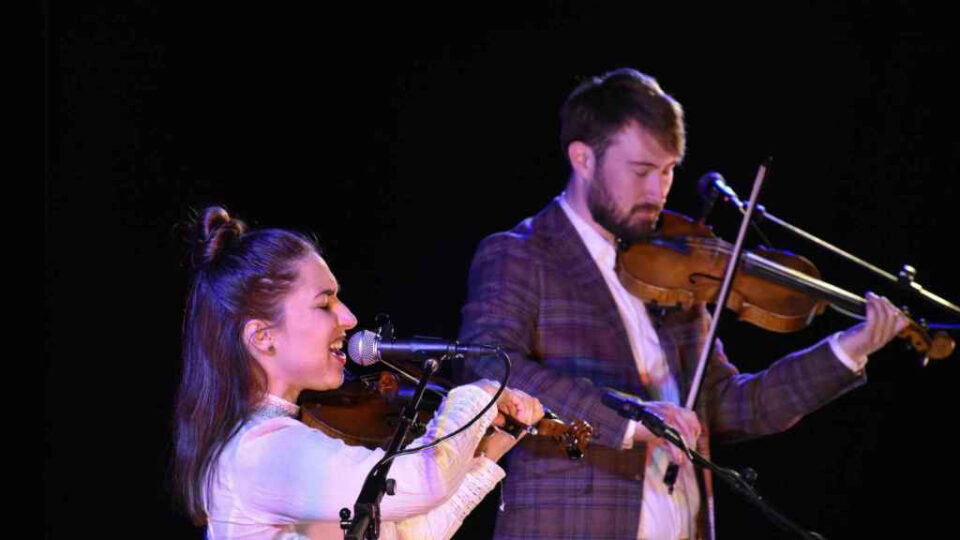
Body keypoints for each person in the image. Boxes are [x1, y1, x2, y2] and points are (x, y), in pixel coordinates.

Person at [456, 68, 907, 539]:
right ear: (583, 158)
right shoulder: (522, 252)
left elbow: (731, 406)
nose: (659, 191)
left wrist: (848, 349)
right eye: (641, 171)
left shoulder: (670, 270)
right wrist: (631, 418)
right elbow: (486, 369)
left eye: (669, 170)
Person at [173, 206, 544, 539]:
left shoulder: (276, 444)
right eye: (325, 303)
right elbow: (423, 481)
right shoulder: (258, 450)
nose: (349, 318)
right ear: (262, 336)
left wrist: (486, 454)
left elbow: (409, 536)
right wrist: (476, 396)